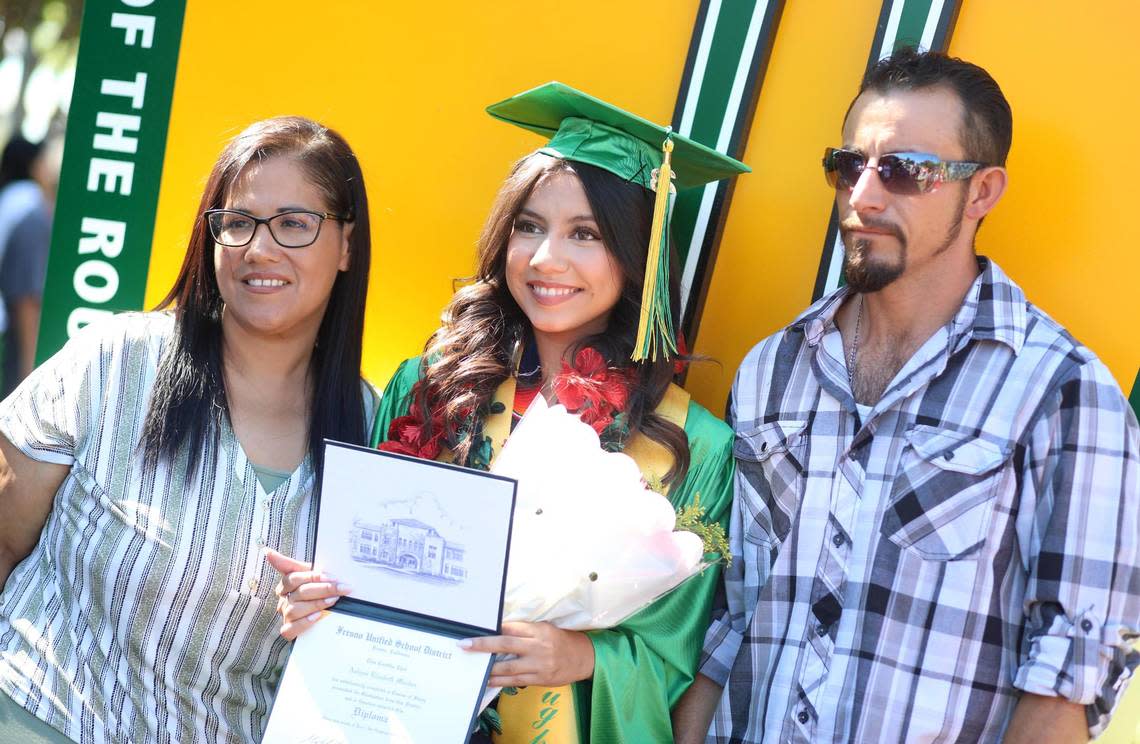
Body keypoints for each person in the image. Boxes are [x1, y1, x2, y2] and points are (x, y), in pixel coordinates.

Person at [673, 48, 1140, 743]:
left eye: (904, 170)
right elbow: (733, 623)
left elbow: (1068, 681)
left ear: (981, 192)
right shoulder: (774, 368)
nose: (863, 195)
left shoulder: (1063, 391)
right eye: (847, 165)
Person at [269, 82, 748, 743]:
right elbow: (365, 576)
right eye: (529, 226)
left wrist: (582, 656)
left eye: (586, 233)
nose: (547, 259)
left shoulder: (691, 442)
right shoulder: (430, 385)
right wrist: (320, 598)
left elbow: (674, 651)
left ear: (636, 255)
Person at [0, 116, 375, 743]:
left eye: (294, 223)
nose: (260, 248)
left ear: (346, 246)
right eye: (237, 222)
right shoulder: (116, 362)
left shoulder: (371, 427)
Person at [0, 135, 52, 394]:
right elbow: (26, 297)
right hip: (9, 329)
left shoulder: (8, 197)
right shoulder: (30, 204)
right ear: (33, 164)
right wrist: (30, 373)